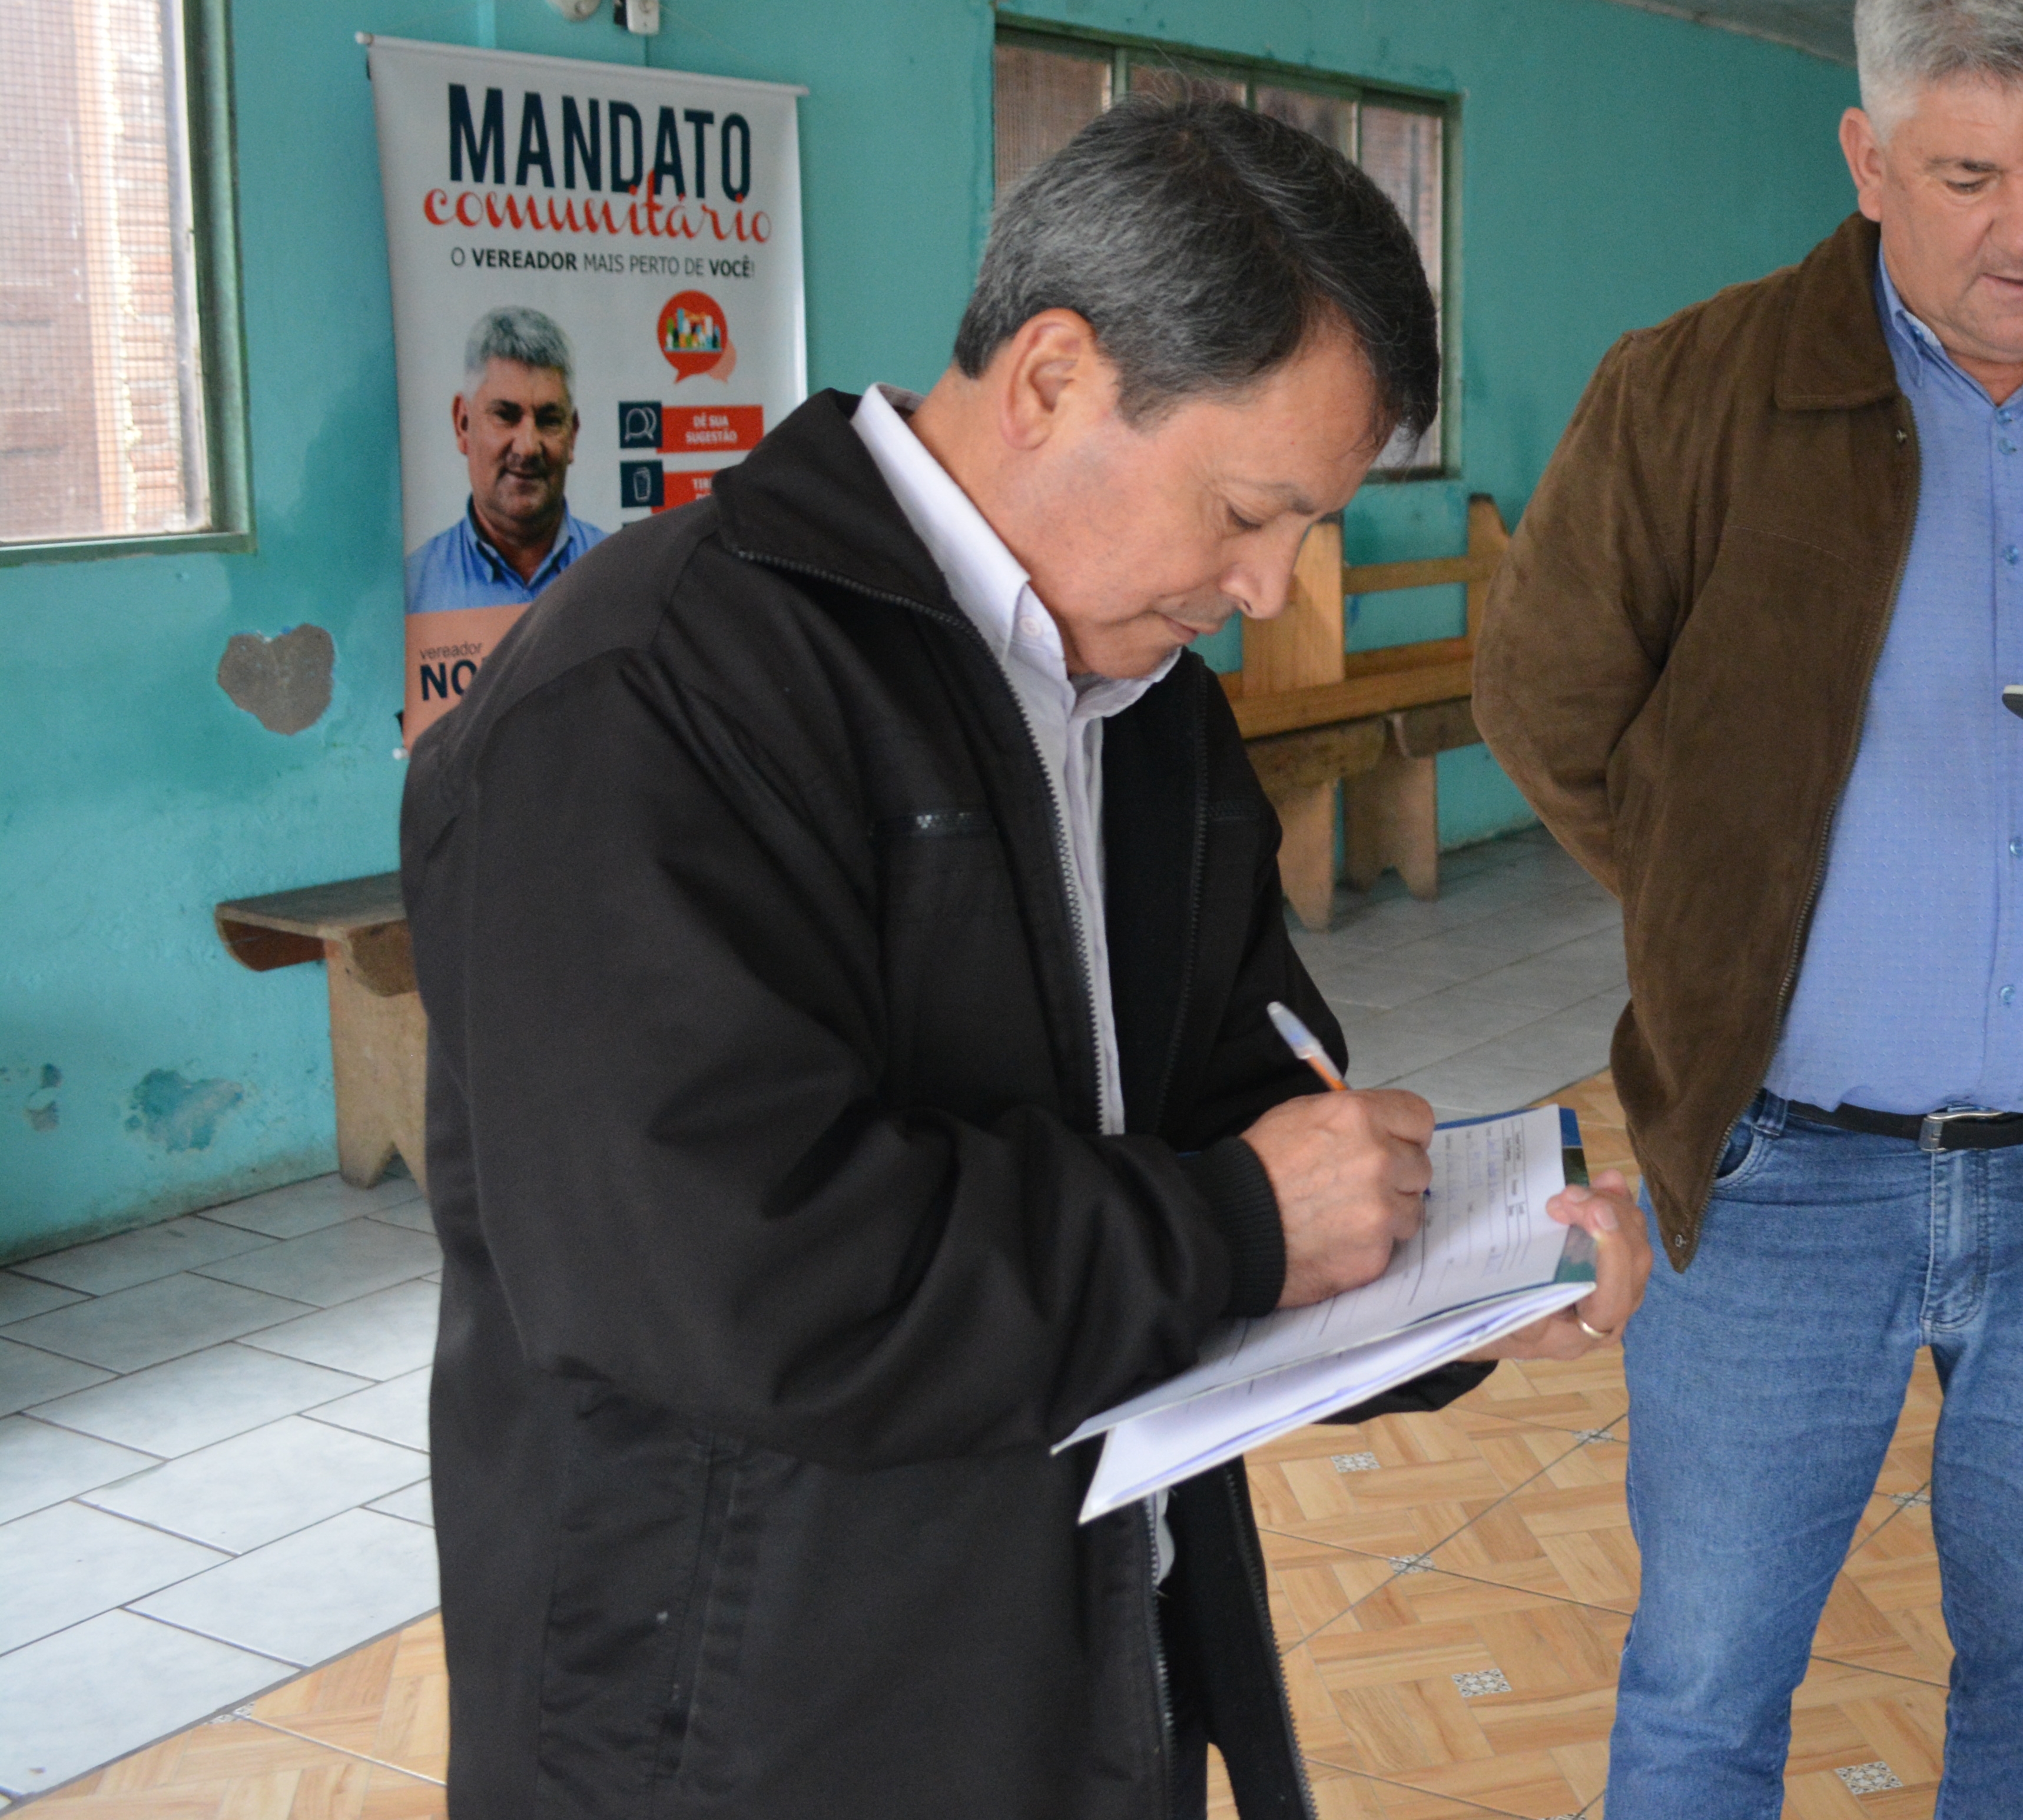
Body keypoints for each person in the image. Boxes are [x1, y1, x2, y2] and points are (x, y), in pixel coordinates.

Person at [402, 97, 1647, 1820]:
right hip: (752, 1739)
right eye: (1246, 508)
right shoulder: (649, 703)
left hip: (1080, 1675)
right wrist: (1236, 1224)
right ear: (1053, 375)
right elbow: (749, 1290)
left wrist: (1455, 1280)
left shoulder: (1142, 710)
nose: (1275, 587)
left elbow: (1226, 1117)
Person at [1475, 0, 2023, 1817]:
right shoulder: (1685, 394)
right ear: (1864, 163)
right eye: (1958, 174)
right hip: (1775, 1169)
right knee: (1703, 1685)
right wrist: (1716, 886)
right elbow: (1543, 696)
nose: (2021, 229)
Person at [405, 305, 608, 612]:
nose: (527, 447)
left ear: (573, 435)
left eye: (549, 419)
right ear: (463, 424)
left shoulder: (621, 576)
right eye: (505, 416)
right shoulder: (412, 592)